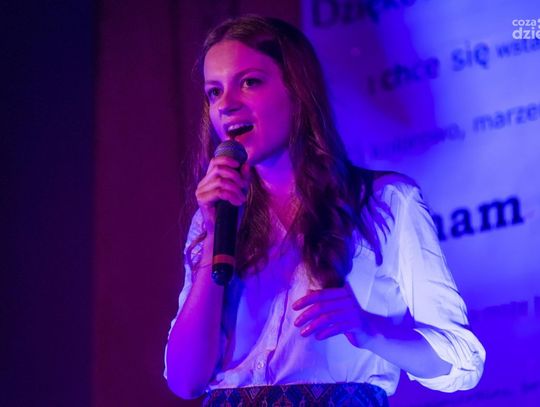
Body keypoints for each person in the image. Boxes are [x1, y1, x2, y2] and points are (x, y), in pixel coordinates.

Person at [164, 15, 485, 406]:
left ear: (296, 89)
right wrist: (216, 233)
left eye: (249, 82)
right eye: (214, 92)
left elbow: (461, 361)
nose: (227, 105)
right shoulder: (215, 217)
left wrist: (370, 331)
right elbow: (184, 380)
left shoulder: (386, 202)